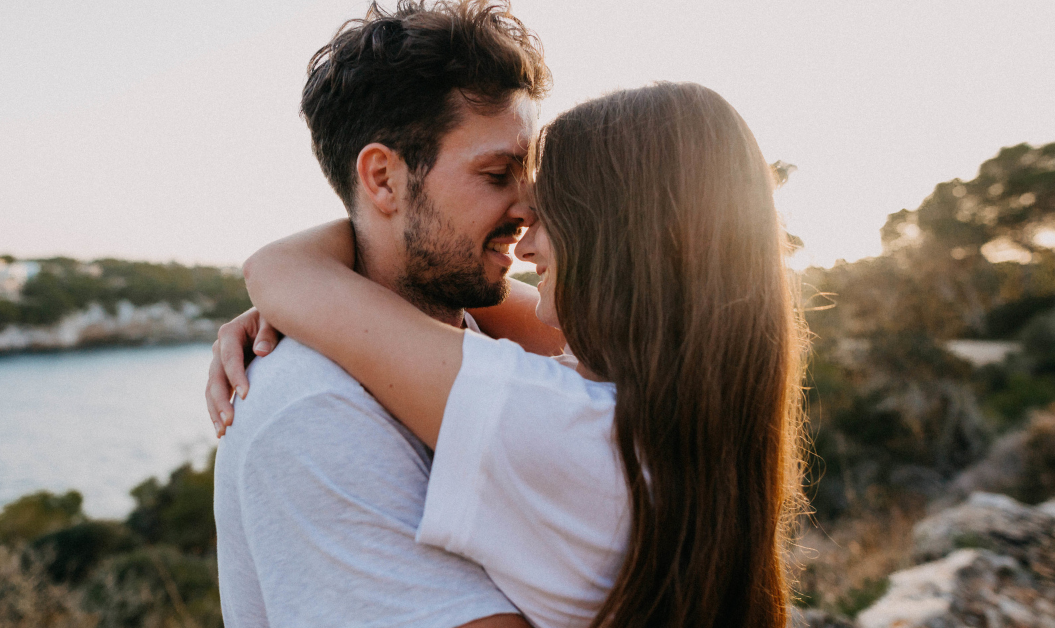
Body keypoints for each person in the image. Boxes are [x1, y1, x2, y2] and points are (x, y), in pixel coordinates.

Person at [210, 82, 809, 627]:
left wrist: (320, 282)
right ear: (383, 177)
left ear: (617, 246)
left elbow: (277, 270)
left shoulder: (569, 427)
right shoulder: (690, 419)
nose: (526, 237)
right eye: (499, 177)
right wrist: (331, 287)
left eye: (550, 210)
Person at [206, 1, 557, 626]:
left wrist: (293, 274)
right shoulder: (314, 411)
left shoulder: (491, 331)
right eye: (499, 173)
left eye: (528, 173)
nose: (528, 206)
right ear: (384, 179)